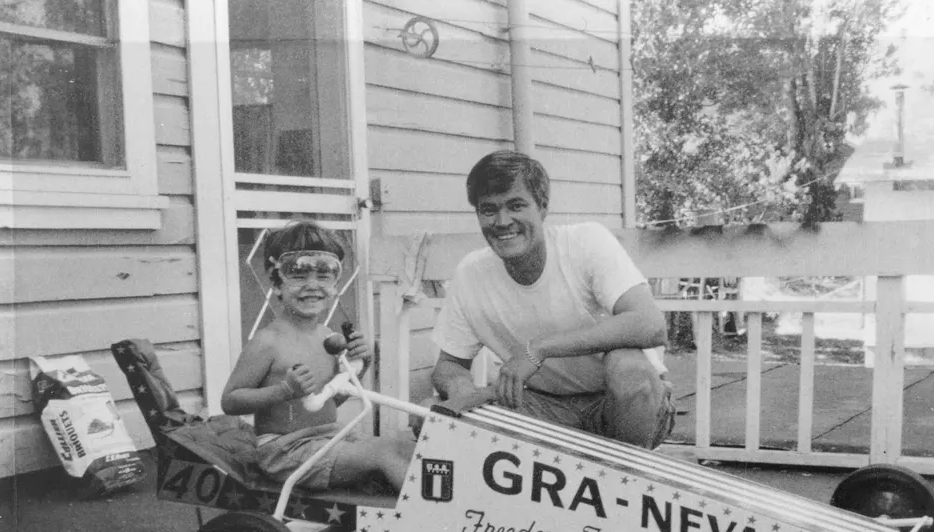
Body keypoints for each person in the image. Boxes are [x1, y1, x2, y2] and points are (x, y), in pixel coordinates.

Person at [430, 150, 675, 450]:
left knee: (630, 371)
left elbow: (650, 324)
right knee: (430, 416)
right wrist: (464, 393)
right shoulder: (470, 273)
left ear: (542, 207)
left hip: (618, 403)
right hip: (541, 407)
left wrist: (538, 349)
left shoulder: (585, 242)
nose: (502, 221)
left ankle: (626, 483)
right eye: (489, 210)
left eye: (516, 206)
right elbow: (448, 365)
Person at [221, 221, 414, 493]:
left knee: (406, 446)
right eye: (298, 275)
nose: (312, 286)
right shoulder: (269, 342)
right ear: (276, 283)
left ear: (335, 283)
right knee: (383, 452)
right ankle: (427, 525)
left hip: (328, 437)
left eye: (324, 275)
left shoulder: (327, 336)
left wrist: (360, 366)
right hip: (285, 450)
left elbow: (332, 399)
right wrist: (283, 390)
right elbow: (230, 401)